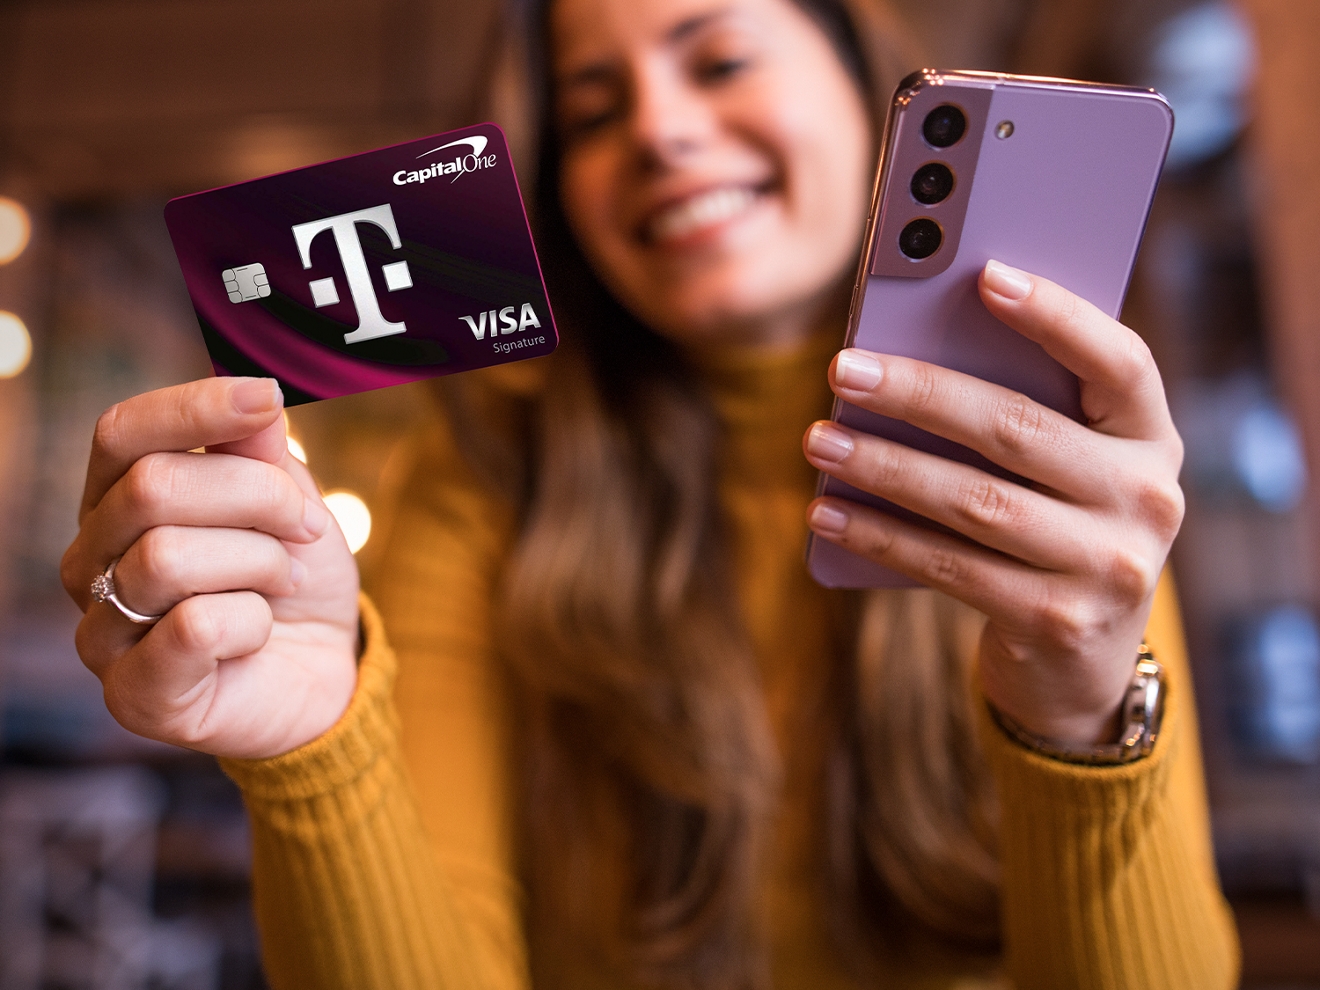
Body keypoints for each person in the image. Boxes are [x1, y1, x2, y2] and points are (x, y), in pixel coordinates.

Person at [61, 0, 1239, 986]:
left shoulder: (1054, 485)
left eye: (718, 59)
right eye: (593, 110)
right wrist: (313, 746)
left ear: (869, 84)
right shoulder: (484, 484)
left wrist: (1082, 718)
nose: (663, 133)